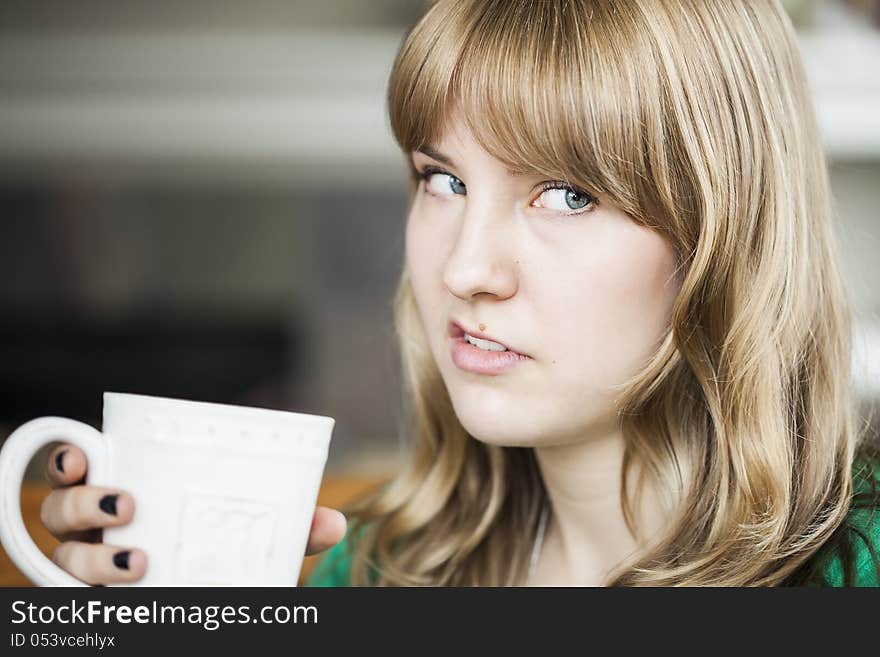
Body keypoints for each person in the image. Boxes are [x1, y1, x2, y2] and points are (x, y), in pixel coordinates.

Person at [41, 0, 880, 587]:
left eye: (567, 194)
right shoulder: (367, 572)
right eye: (442, 180)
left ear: (725, 235)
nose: (465, 268)